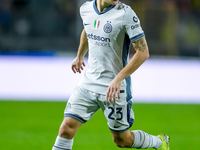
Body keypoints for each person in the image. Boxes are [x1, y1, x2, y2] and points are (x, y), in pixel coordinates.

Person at [52, 0, 170, 150]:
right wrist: (80, 55)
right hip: (88, 83)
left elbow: (143, 52)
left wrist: (118, 78)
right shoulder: (86, 9)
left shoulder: (126, 14)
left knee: (122, 140)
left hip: (114, 89)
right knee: (66, 128)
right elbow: (88, 29)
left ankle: (159, 142)